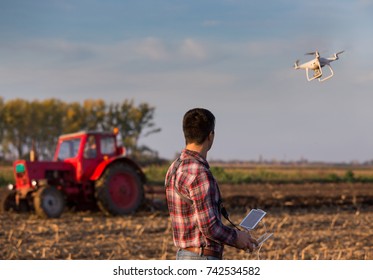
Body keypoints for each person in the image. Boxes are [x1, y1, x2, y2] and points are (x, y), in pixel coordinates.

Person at [165, 108, 257, 260]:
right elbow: (210, 227)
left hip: (183, 256)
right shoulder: (199, 173)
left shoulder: (174, 168)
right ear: (210, 136)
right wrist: (237, 238)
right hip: (201, 257)